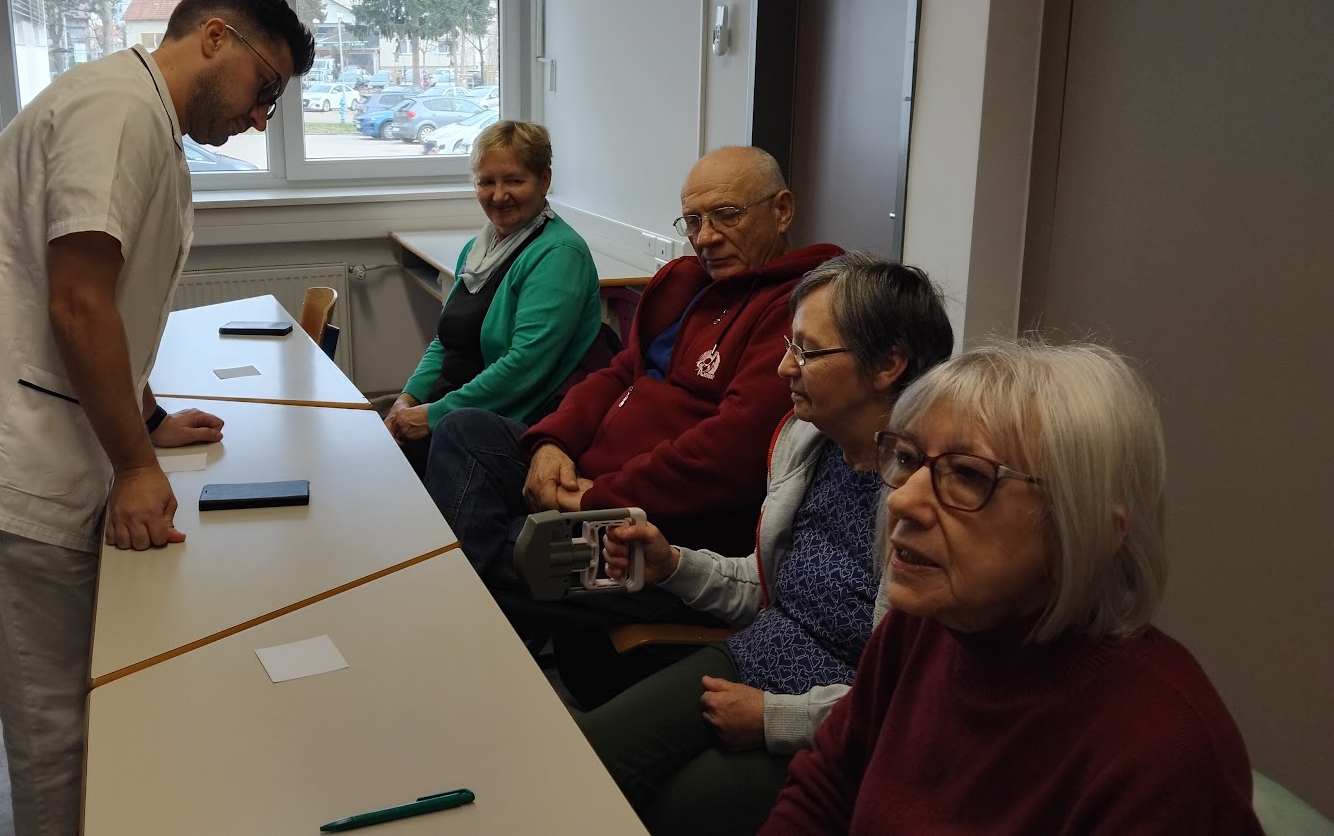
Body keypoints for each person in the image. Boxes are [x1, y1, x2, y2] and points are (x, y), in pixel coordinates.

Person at [0, 0, 314, 836]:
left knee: (89, 703)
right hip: (0, 464)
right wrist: (136, 466)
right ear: (215, 37)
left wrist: (148, 419)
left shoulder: (143, 119)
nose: (262, 118)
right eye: (266, 89)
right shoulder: (118, 110)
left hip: (28, 440)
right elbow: (76, 302)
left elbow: (117, 305)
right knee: (59, 731)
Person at [760, 340, 1264, 836]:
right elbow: (826, 789)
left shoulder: (1164, 753)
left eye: (968, 474)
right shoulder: (918, 629)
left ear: (1087, 528)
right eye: (908, 459)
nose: (903, 502)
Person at [579, 254, 953, 836]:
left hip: (843, 718)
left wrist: (776, 718)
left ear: (887, 365)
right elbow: (767, 587)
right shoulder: (809, 443)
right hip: (754, 656)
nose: (784, 367)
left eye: (807, 351)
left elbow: (912, 693)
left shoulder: (928, 502)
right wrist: (672, 564)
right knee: (584, 762)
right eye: (789, 345)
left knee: (674, 812)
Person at [425, 146, 843, 638]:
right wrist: (551, 443)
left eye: (727, 215)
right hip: (588, 481)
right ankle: (461, 623)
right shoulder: (688, 286)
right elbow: (617, 372)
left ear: (782, 210)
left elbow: (730, 454)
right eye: (693, 221)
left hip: (654, 531)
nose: (706, 237)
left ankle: (448, 629)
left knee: (506, 547)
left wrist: (600, 498)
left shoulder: (800, 312)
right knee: (463, 432)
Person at [383, 121, 603, 475]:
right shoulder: (479, 249)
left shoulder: (559, 254)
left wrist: (433, 415)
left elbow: (524, 367)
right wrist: (408, 398)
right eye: (487, 182)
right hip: (454, 408)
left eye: (514, 181)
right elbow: (447, 341)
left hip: (505, 423)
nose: (499, 195)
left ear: (544, 180)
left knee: (382, 472)